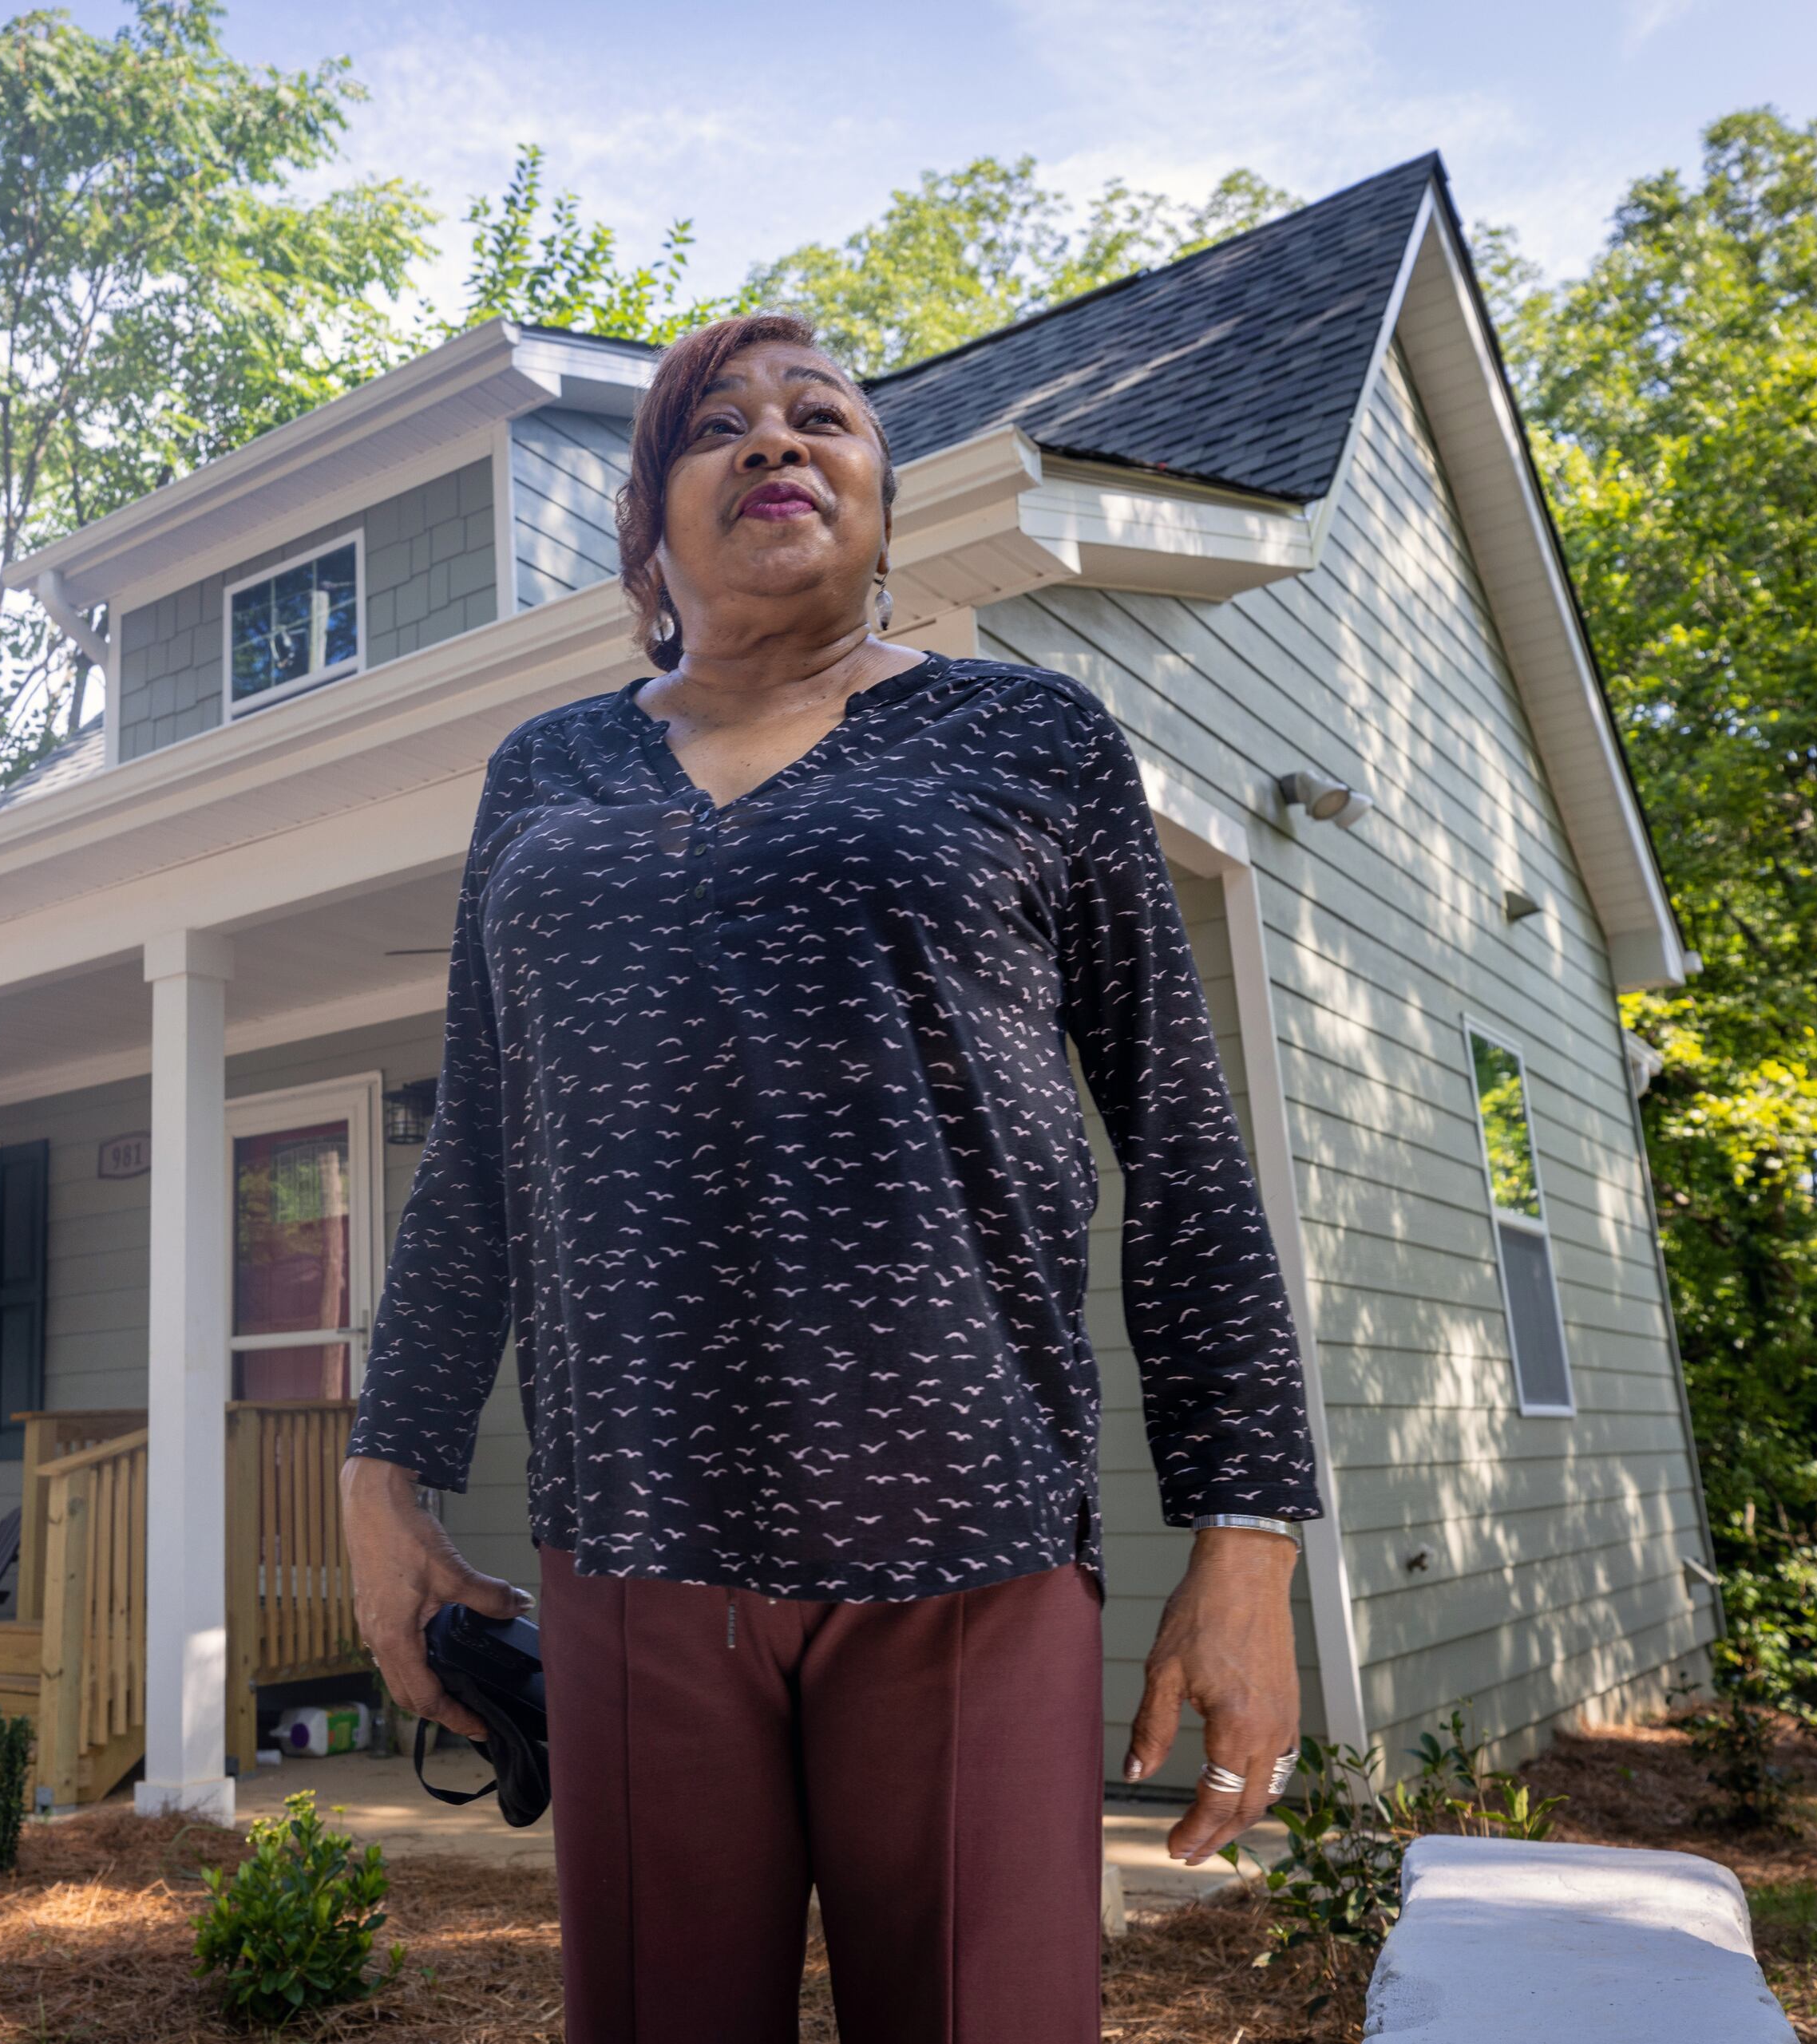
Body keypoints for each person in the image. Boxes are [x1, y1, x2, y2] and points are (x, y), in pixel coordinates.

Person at [339, 312, 1322, 2043]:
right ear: (650, 525)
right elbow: (478, 1160)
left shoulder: (1033, 741)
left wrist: (1248, 1536)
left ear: (881, 498)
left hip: (970, 1543)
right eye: (716, 427)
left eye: (822, 420)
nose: (774, 444)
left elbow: (1181, 1142)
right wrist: (385, 1473)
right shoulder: (545, 775)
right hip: (633, 1546)